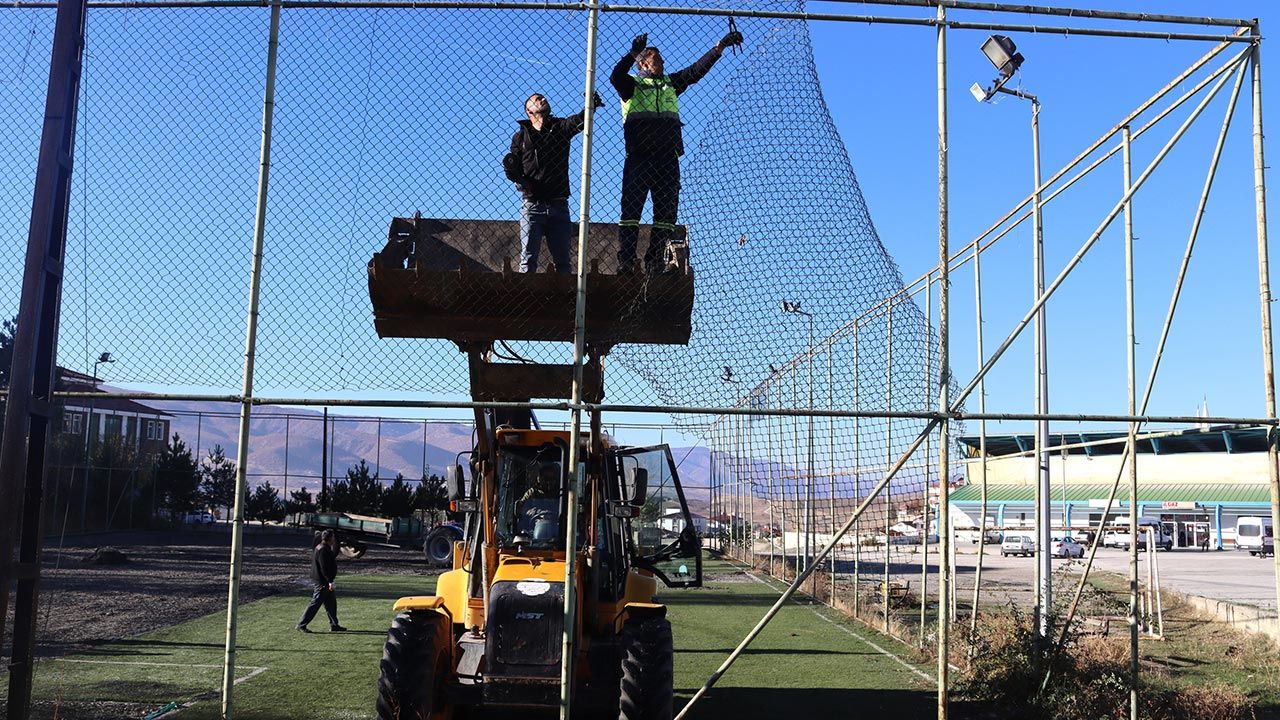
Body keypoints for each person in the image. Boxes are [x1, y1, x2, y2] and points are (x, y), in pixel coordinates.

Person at [610, 29, 743, 273]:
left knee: (666, 215)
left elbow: (695, 72)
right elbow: (615, 76)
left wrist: (719, 48)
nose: (663, 61)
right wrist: (631, 53)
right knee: (631, 213)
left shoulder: (670, 84)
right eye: (657, 58)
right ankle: (626, 262)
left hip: (668, 159)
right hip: (639, 158)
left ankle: (653, 261)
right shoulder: (632, 86)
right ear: (644, 63)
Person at [503, 91, 604, 273]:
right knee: (528, 259)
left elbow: (578, 122)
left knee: (563, 261)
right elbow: (514, 167)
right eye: (537, 99)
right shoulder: (521, 137)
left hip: (559, 204)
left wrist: (591, 106)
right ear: (529, 110)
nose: (542, 99)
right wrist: (520, 181)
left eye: (543, 98)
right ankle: (526, 297)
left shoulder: (559, 127)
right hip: (532, 205)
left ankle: (565, 299)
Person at [296, 529, 346, 633]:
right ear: (330, 538)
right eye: (333, 537)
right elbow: (324, 568)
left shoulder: (320, 547)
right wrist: (330, 581)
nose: (334, 539)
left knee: (331, 604)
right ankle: (301, 624)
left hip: (321, 580)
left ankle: (334, 624)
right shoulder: (324, 550)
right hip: (322, 582)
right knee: (315, 603)